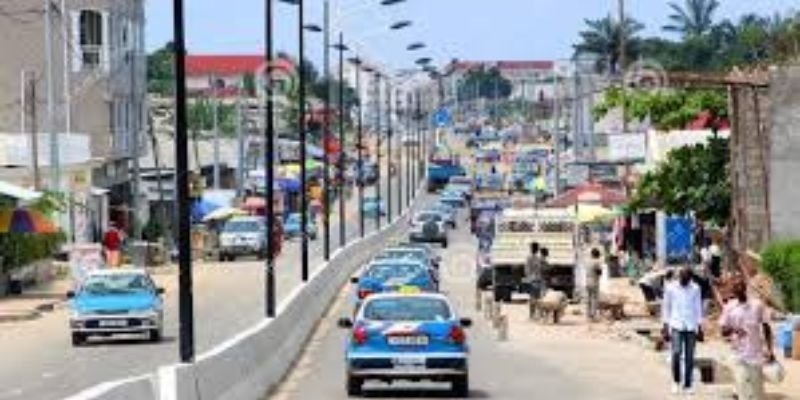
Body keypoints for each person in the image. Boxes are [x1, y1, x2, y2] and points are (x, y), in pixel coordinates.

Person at [719, 280, 774, 400]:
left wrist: (770, 350)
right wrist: (734, 330)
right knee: (741, 387)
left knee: (757, 392)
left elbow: (766, 327)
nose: (738, 290)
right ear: (733, 292)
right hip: (738, 354)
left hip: (756, 354)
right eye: (735, 288)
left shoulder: (757, 305)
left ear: (745, 289)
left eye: (740, 287)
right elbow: (723, 331)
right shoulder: (729, 307)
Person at [661, 266, 704, 395]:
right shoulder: (670, 288)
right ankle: (676, 381)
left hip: (690, 325)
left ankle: (688, 384)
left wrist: (700, 327)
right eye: (682, 278)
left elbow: (698, 308)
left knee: (690, 357)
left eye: (686, 279)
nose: (683, 281)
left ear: (690, 278)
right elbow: (666, 307)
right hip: (676, 324)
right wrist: (664, 326)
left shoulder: (696, 289)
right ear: (679, 276)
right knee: (676, 353)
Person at [585, 248, 603, 321]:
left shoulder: (588, 261)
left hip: (587, 281)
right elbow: (599, 272)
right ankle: (593, 315)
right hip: (594, 281)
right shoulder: (597, 262)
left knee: (588, 298)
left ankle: (588, 314)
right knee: (594, 298)